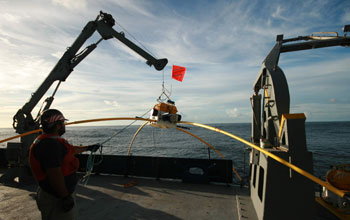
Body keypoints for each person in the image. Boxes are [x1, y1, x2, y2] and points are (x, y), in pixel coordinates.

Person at [29, 109, 100, 220]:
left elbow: (70, 151)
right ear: (57, 126)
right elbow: (55, 174)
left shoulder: (51, 141)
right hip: (56, 197)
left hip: (55, 194)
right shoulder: (50, 146)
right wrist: (65, 197)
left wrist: (88, 148)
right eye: (63, 123)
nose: (64, 125)